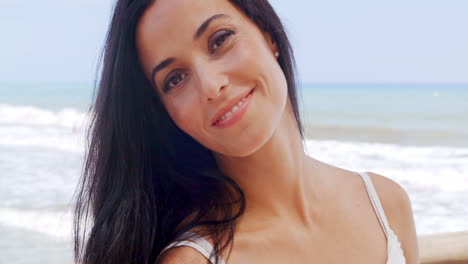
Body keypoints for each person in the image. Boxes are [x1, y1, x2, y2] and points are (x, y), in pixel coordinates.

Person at [74, 0, 419, 263]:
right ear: (167, 114)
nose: (210, 86)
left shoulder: (386, 204)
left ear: (268, 35)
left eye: (219, 40)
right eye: (175, 79)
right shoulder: (194, 260)